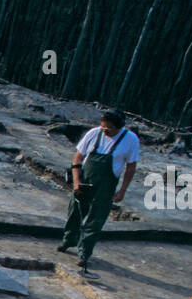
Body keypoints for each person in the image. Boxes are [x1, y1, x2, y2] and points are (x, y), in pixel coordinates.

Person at [57, 110, 139, 276]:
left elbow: (130, 167)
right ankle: (69, 240)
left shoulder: (130, 140)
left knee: (96, 219)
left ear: (120, 128)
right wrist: (76, 182)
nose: (105, 131)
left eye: (109, 129)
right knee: (75, 211)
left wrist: (122, 190)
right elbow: (77, 158)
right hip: (85, 179)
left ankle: (85, 252)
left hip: (107, 184)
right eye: (103, 128)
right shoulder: (94, 134)